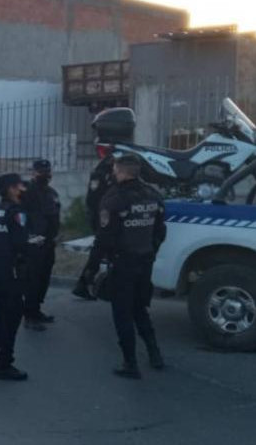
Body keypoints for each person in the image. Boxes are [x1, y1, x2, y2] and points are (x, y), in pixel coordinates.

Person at [94, 154, 166, 379]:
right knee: (139, 309)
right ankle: (155, 355)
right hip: (145, 261)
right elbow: (160, 231)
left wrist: (92, 267)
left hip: (123, 263)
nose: (114, 173)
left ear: (122, 171)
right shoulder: (154, 195)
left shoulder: (114, 198)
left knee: (122, 313)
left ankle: (130, 363)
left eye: (116, 169)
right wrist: (151, 251)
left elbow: (105, 237)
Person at [0, 173, 42, 381]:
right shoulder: (16, 212)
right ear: (10, 188)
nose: (23, 189)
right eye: (19, 186)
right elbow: (20, 244)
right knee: (12, 316)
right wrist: (35, 243)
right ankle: (4, 364)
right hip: (9, 270)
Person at [22, 159, 61, 330]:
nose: (44, 175)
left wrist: (55, 236)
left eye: (47, 171)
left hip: (49, 243)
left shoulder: (52, 192)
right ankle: (29, 317)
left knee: (44, 279)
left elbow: (55, 216)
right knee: (33, 281)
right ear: (33, 173)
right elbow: (19, 217)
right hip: (33, 244)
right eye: (40, 172)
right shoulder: (26, 192)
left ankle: (36, 310)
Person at [73, 154, 116, 300]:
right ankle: (85, 284)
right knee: (99, 254)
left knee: (103, 254)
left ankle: (89, 285)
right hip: (103, 220)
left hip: (108, 220)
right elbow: (92, 200)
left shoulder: (111, 173)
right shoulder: (100, 174)